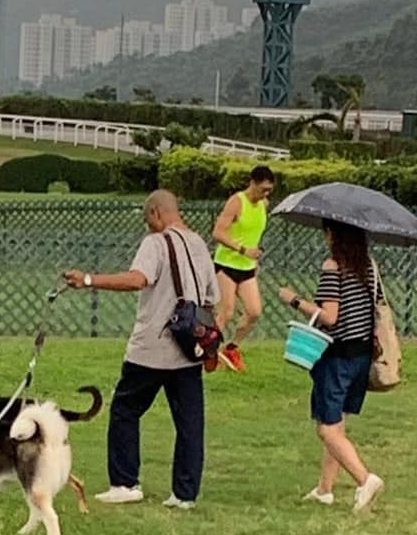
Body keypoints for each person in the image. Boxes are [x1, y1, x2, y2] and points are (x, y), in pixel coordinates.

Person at [63, 189, 220, 510]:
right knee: (190, 422)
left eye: (147, 218)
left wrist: (90, 279)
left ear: (155, 214)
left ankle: (125, 482)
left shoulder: (156, 243)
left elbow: (138, 279)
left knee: (125, 410)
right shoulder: (200, 245)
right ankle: (185, 493)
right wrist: (209, 343)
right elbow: (211, 298)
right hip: (189, 349)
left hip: (152, 347)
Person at [277, 220, 384, 512]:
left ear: (332, 234)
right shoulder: (369, 267)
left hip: (337, 356)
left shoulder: (333, 266)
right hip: (362, 355)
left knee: (327, 428)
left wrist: (295, 300)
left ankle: (365, 479)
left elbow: (330, 316)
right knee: (339, 423)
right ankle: (325, 488)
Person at [212, 165, 275, 372]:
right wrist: (242, 249)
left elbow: (254, 236)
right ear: (253, 183)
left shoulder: (263, 204)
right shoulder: (236, 202)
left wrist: (254, 258)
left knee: (254, 311)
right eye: (262, 189)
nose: (265, 194)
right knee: (227, 312)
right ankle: (206, 353)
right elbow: (218, 233)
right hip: (227, 264)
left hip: (247, 267)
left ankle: (231, 348)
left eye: (269, 190)